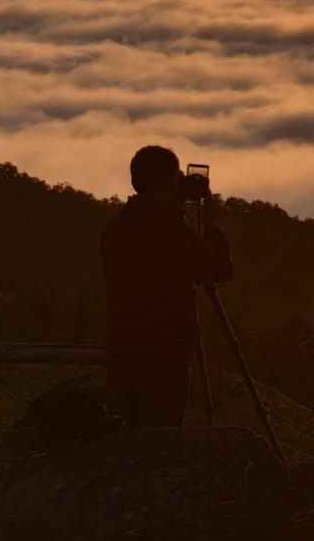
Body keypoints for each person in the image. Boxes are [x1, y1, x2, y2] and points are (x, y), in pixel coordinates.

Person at [100, 144, 233, 427]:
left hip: (123, 345)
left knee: (124, 430)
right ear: (172, 182)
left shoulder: (115, 229)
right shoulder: (175, 233)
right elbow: (219, 268)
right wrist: (210, 224)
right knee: (162, 430)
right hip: (167, 348)